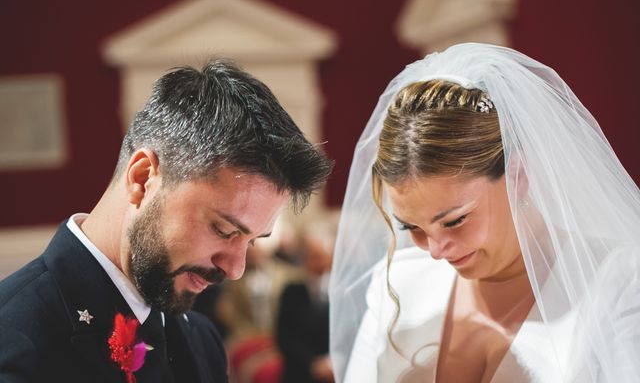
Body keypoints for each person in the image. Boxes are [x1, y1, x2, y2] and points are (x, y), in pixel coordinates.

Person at [0, 61, 332, 383]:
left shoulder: (203, 340)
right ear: (143, 178)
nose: (235, 269)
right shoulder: (14, 335)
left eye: (253, 240)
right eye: (224, 230)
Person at [329, 43, 640, 382]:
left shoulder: (620, 282)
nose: (435, 250)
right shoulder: (396, 285)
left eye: (454, 220)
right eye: (411, 227)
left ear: (518, 177)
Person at [277, 232, 334, 383]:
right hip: (300, 371)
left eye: (322, 256)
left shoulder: (342, 291)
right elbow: (284, 335)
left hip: (335, 369)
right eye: (313, 257)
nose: (318, 262)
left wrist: (331, 361)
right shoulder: (292, 291)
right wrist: (312, 363)